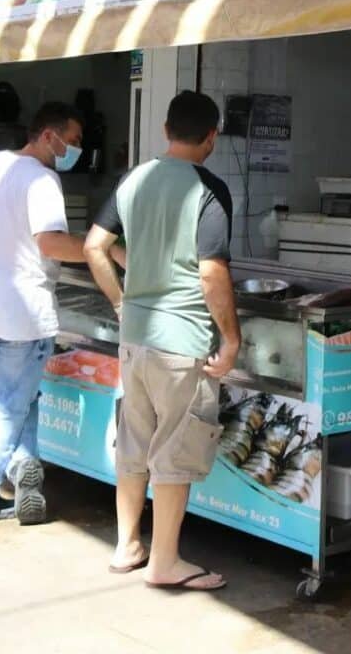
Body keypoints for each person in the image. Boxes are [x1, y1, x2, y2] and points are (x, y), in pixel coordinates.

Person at [84, 90, 240, 591]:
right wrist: (231, 339)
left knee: (134, 443)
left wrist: (120, 301)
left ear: (166, 130)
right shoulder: (208, 189)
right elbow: (211, 271)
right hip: (182, 340)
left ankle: (128, 544)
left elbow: (94, 246)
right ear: (212, 136)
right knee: (174, 448)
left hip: (136, 338)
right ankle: (165, 562)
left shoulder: (135, 178)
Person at [0, 102, 88, 525]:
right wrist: (103, 250)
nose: (77, 148)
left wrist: (2, 238)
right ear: (50, 135)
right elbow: (52, 244)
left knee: (21, 398)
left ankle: (26, 475)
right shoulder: (43, 180)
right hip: (23, 315)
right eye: (75, 139)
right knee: (11, 405)